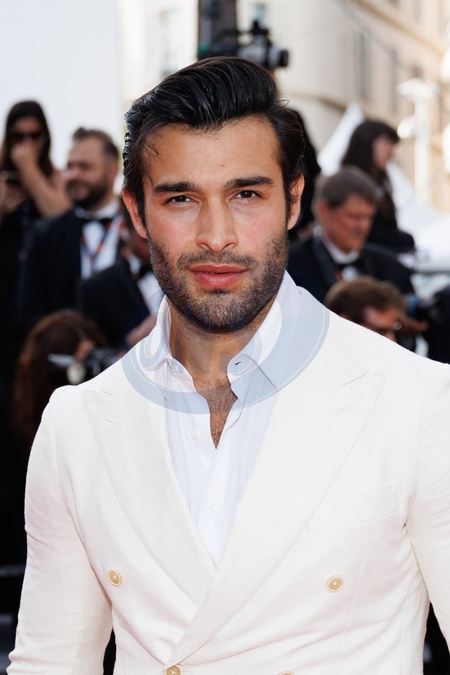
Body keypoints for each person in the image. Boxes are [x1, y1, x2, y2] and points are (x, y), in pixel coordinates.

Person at [8, 57, 450, 675]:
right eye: (181, 198)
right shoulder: (76, 424)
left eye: (246, 195)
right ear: (136, 212)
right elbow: (50, 663)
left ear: (293, 200)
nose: (216, 235)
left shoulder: (419, 402)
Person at [16, 127, 122, 333]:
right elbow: (28, 311)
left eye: (84, 167)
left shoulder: (141, 227)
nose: (74, 175)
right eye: (70, 166)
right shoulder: (45, 234)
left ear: (112, 171)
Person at [288, 166, 415, 302]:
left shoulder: (390, 268)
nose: (363, 226)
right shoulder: (290, 267)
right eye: (354, 216)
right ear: (324, 211)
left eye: (368, 217)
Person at [78, 202, 163, 350]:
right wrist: (129, 344)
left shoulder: (188, 277)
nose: (155, 247)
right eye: (145, 240)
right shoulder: (96, 288)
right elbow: (92, 350)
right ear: (124, 228)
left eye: (160, 238)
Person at [340, 119, 415, 255]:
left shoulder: (382, 182)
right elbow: (369, 233)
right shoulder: (348, 184)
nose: (391, 152)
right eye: (386, 143)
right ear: (367, 144)